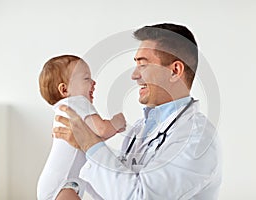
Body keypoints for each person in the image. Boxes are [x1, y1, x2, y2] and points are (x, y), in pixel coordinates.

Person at [54, 23, 222, 199]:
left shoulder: (198, 139)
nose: (134, 75)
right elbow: (117, 192)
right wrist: (71, 185)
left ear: (175, 71)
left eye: (143, 65)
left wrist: (90, 144)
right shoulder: (141, 128)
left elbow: (141, 196)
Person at [37, 55, 126, 200]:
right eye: (86, 79)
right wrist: (116, 122)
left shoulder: (65, 109)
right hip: (63, 185)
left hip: (58, 184)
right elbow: (102, 130)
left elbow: (94, 139)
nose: (93, 82)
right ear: (64, 90)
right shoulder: (76, 102)